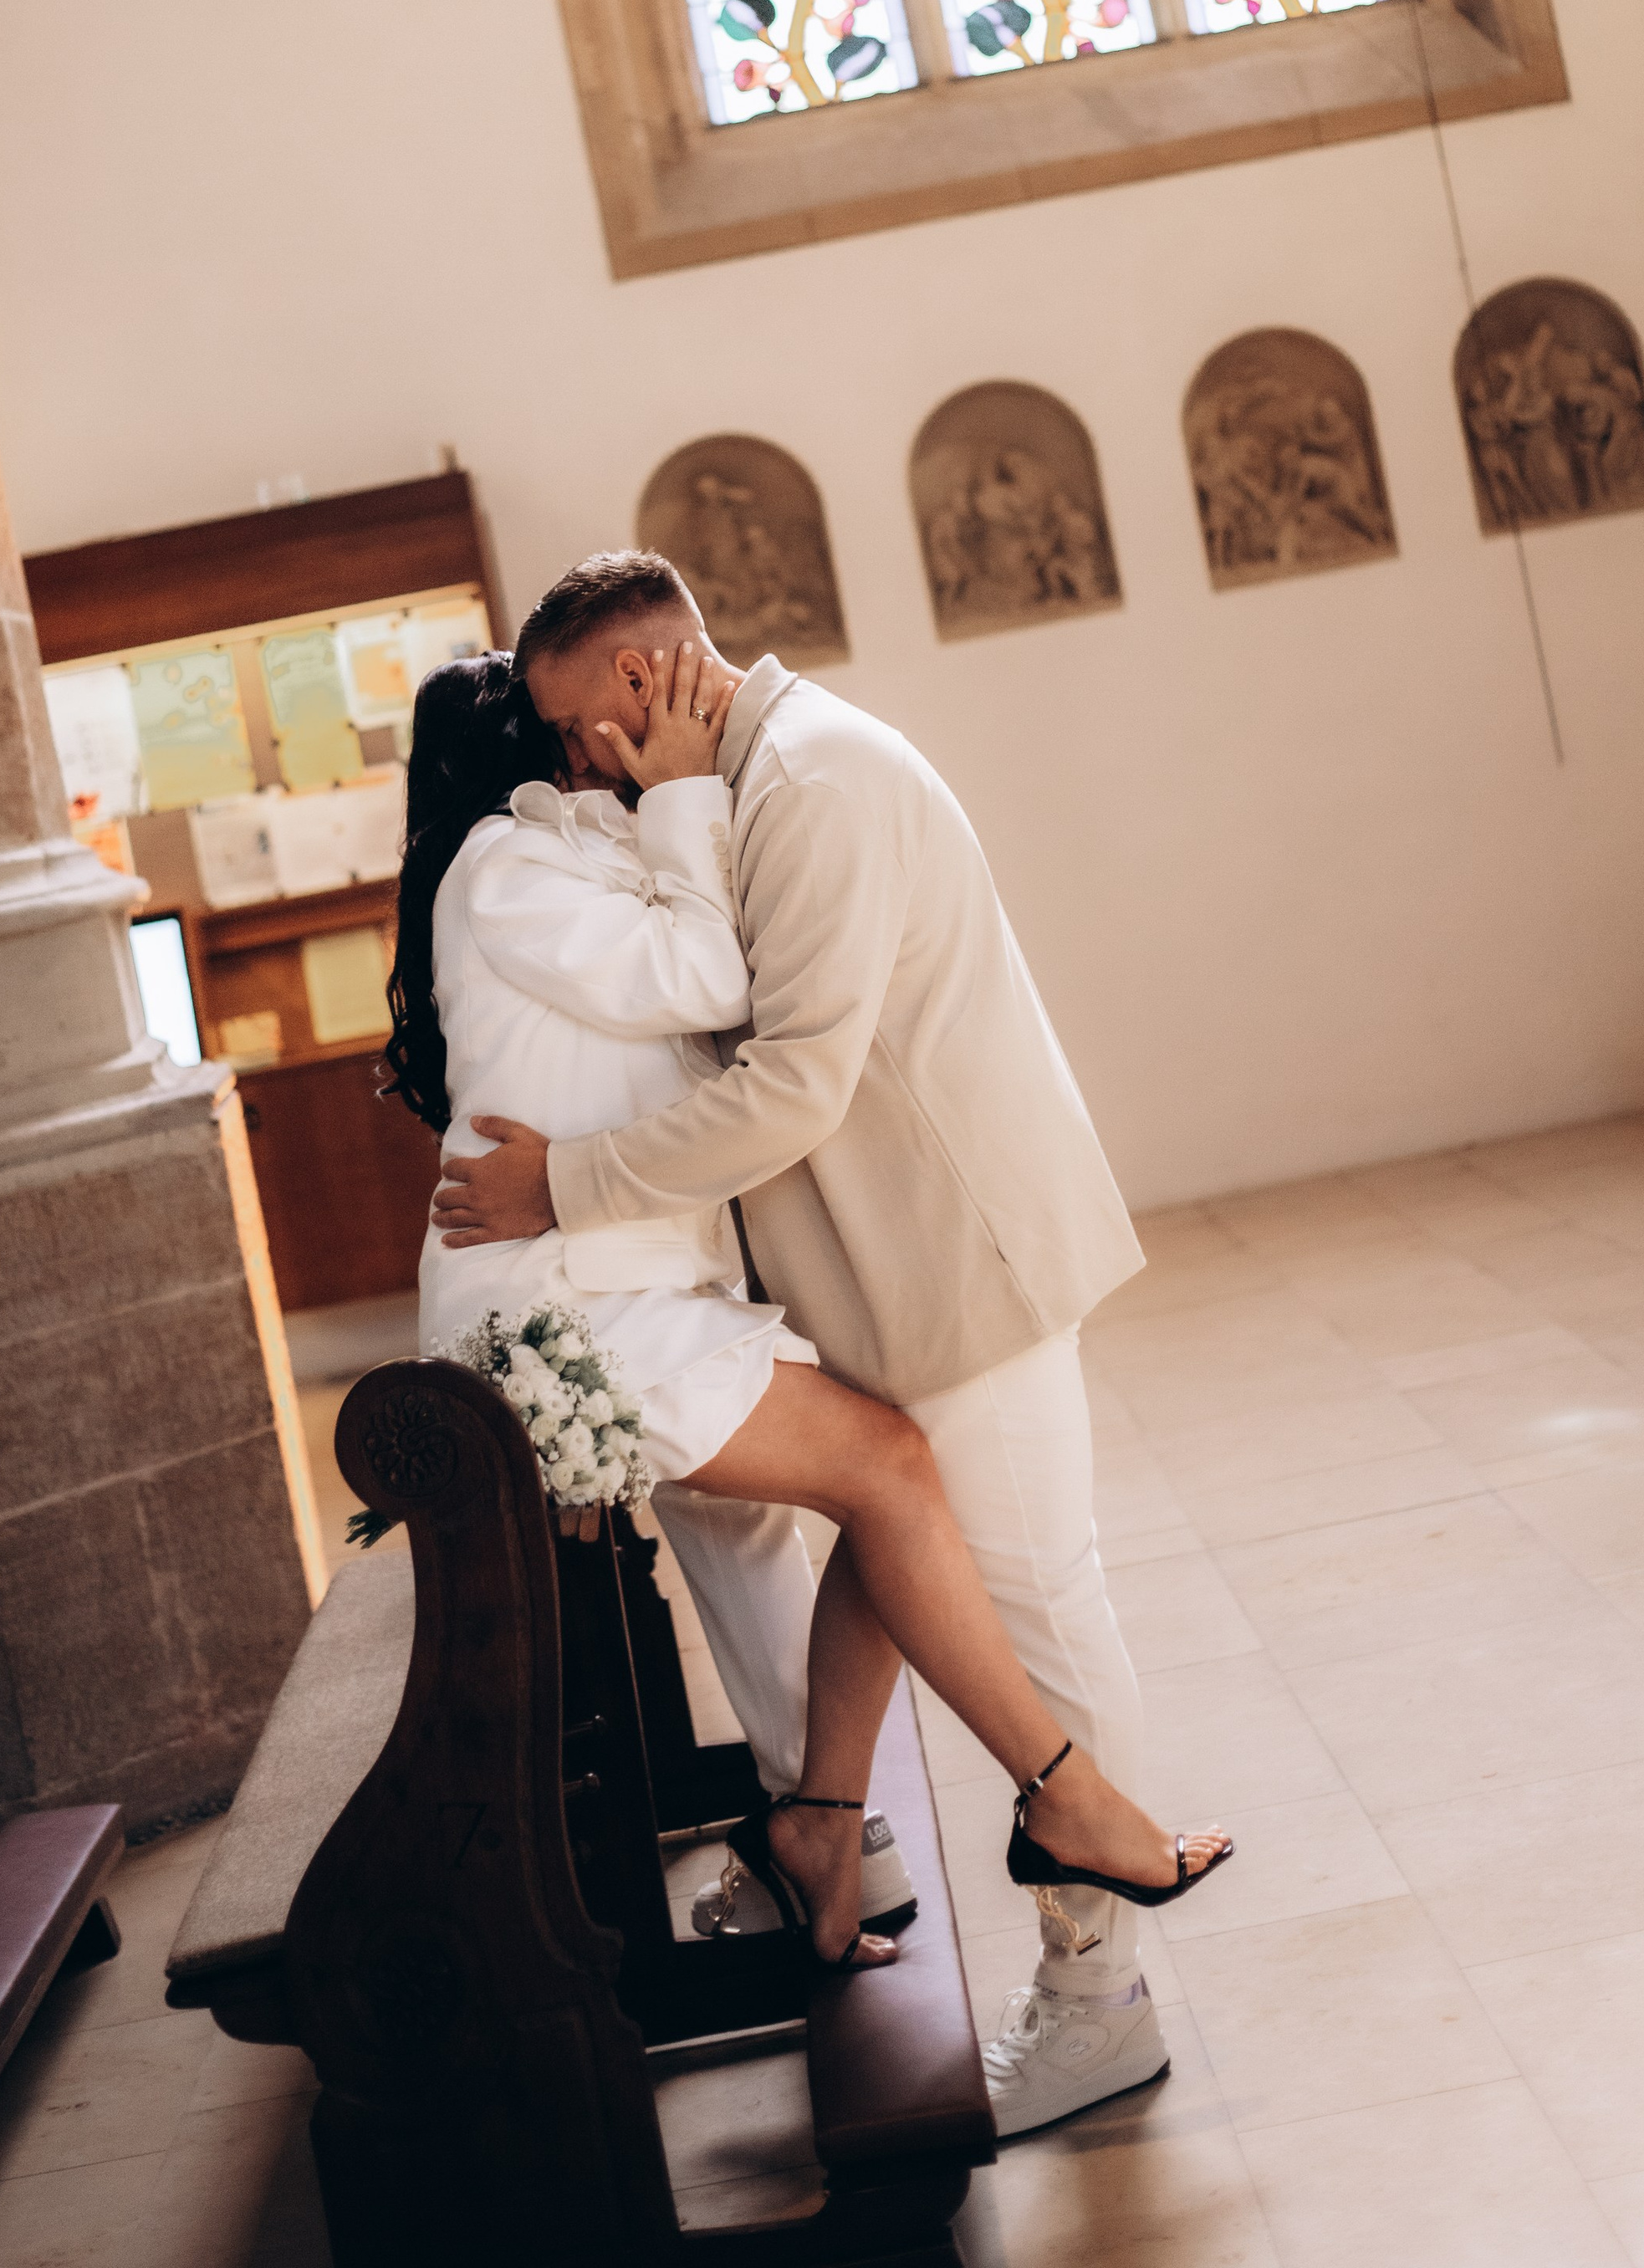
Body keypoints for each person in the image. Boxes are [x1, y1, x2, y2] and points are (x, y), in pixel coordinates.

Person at [433, 550, 1197, 2131]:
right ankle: (823, 1825)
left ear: (641, 686)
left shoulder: (817, 784)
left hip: (952, 1260)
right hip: (884, 1271)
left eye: (579, 727)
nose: (570, 761)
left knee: (1041, 1599)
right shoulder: (750, 784)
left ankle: (1097, 1994)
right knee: (891, 1528)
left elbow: (796, 1083)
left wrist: (556, 1187)